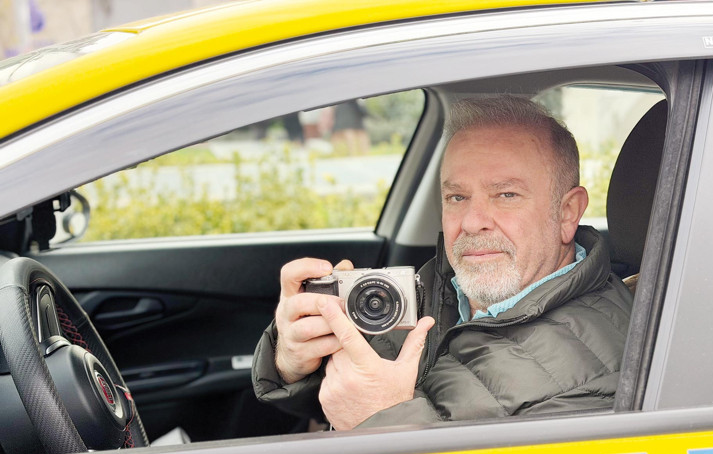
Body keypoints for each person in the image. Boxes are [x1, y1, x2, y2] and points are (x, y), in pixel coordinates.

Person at [252, 95, 632, 430]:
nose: (471, 222)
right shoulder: (431, 289)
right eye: (456, 197)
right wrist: (292, 358)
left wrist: (384, 424)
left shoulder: (607, 375)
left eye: (506, 194)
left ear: (567, 213)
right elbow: (341, 398)